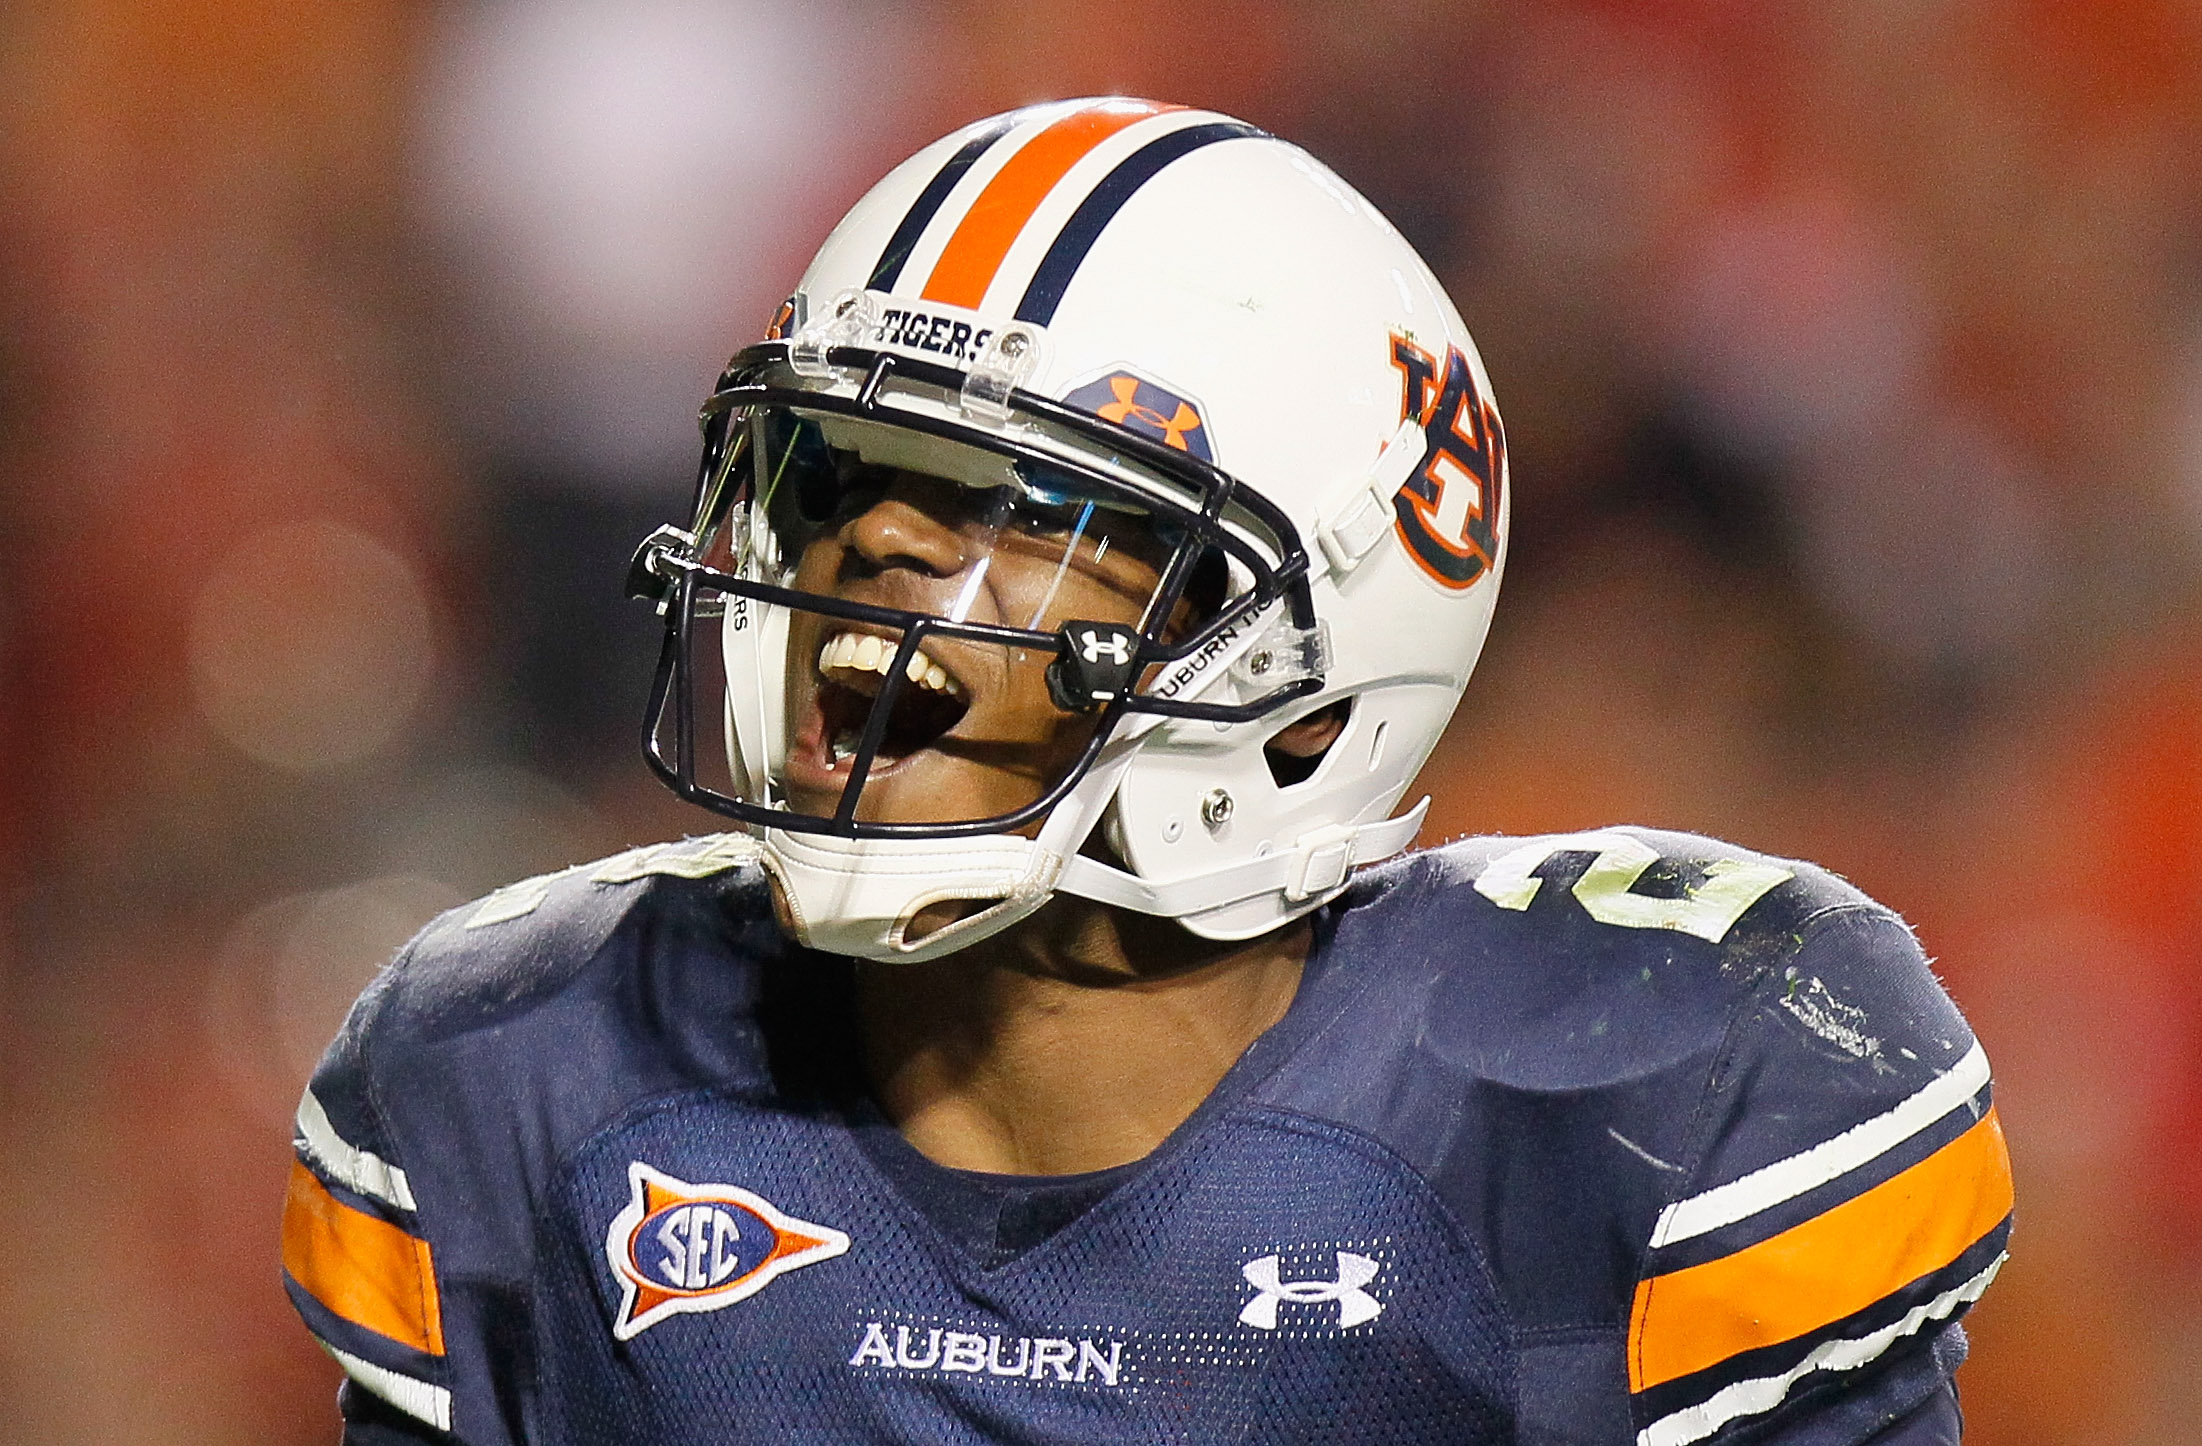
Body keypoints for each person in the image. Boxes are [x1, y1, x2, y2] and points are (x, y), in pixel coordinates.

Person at [280, 98, 2011, 1446]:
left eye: (1029, 517)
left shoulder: (1634, 1104)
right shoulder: (520, 1071)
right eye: (842, 477)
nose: (875, 547)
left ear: (1311, 675)